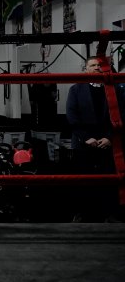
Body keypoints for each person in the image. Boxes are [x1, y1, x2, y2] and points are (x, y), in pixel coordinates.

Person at [66, 55, 125, 221]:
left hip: (109, 144)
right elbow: (72, 116)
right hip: (83, 145)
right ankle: (82, 214)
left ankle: (110, 215)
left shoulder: (115, 89)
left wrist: (110, 138)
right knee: (83, 181)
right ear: (86, 69)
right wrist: (86, 138)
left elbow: (123, 115)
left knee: (110, 181)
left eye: (99, 65)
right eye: (92, 65)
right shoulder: (76, 89)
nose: (96, 68)